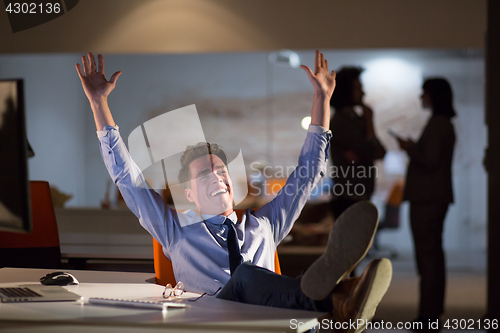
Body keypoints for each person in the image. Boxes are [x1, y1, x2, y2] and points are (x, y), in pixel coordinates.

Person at [76, 51, 392, 332]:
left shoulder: (265, 225)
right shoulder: (175, 231)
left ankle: (337, 297)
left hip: (274, 323)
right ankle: (337, 300)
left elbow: (307, 173)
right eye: (204, 174)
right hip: (214, 323)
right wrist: (98, 103)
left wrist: (322, 100)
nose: (217, 177)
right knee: (244, 277)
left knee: (271, 282)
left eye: (221, 171)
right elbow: (127, 178)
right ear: (189, 193)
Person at [396, 78, 456, 328]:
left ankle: (428, 316)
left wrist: (410, 148)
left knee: (428, 258)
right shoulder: (442, 124)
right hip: (433, 197)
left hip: (428, 198)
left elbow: (430, 160)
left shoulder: (438, 124)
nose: (422, 97)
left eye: (425, 93)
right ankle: (431, 312)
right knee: (432, 256)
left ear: (433, 96)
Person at [329, 67, 386, 219]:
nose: (363, 93)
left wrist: (369, 123)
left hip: (359, 193)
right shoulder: (342, 122)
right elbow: (373, 152)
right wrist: (369, 122)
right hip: (349, 195)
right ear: (346, 91)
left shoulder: (357, 120)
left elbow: (379, 153)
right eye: (358, 88)